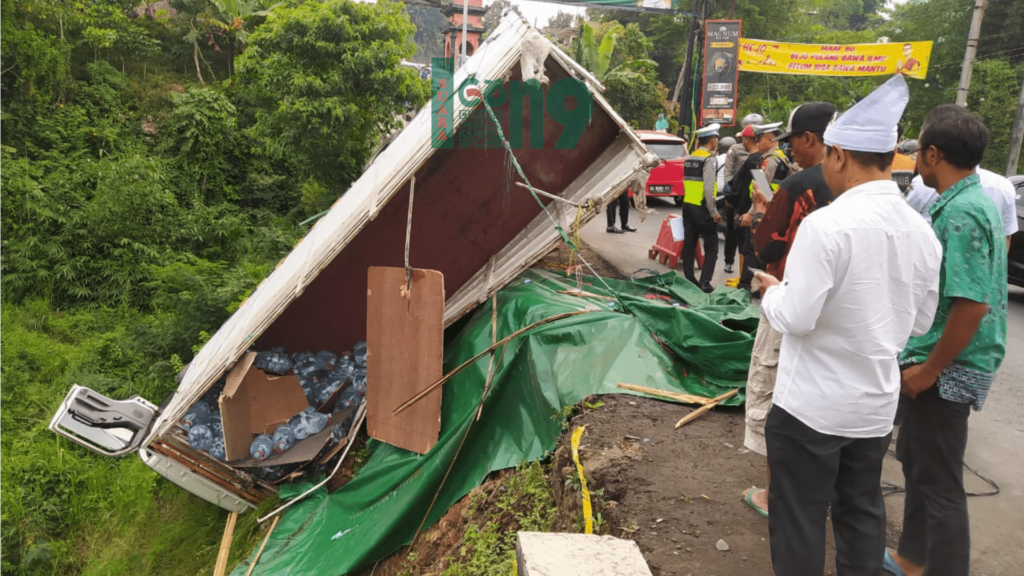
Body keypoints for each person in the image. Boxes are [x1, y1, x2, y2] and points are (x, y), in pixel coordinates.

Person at [755, 75, 942, 576]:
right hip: (873, 408)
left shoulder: (828, 225)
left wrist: (772, 294)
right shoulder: (921, 231)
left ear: (838, 156)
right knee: (861, 513)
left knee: (799, 517)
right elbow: (922, 322)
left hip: (812, 407)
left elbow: (797, 317)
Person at [884, 105, 1008, 576]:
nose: (913, 158)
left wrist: (930, 369)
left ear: (932, 153)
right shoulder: (964, 200)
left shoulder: (964, 212)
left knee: (939, 482)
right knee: (919, 464)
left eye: (918, 148)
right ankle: (911, 559)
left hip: (949, 366)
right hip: (939, 359)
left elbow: (973, 305)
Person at [739, 102, 838, 519]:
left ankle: (773, 493)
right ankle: (820, 492)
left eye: (792, 141)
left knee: (775, 394)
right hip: (837, 314)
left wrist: (762, 212)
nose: (789, 151)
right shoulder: (863, 191)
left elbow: (769, 246)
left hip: (789, 301)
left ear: (810, 139)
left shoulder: (800, 187)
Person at [905, 167, 1018, 248]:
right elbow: (1005, 238)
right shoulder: (1002, 186)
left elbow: (903, 224)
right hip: (982, 275)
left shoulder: (924, 182)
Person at [681, 123, 722, 293]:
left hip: (687, 205)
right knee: (711, 247)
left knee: (689, 244)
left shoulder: (691, 157)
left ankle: (689, 279)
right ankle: (705, 282)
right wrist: (714, 212)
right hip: (702, 207)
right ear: (712, 140)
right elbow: (708, 188)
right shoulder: (709, 159)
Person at [726, 124, 766, 292]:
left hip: (747, 211)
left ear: (747, 139)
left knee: (747, 248)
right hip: (751, 210)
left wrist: (746, 213)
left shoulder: (755, 160)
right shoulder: (758, 159)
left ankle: (745, 283)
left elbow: (760, 189)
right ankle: (745, 280)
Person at [717, 136, 738, 273]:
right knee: (733, 233)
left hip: (718, 195)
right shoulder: (739, 159)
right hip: (734, 198)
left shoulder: (716, 159)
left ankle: (728, 262)